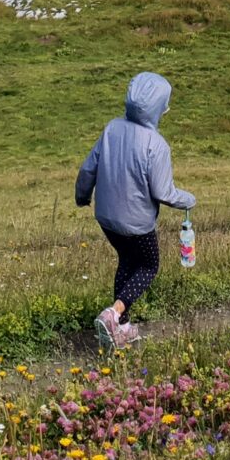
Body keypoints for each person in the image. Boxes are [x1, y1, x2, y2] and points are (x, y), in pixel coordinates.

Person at [74, 71, 197, 349]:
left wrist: (82, 196)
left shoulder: (112, 128)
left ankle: (123, 327)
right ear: (159, 108)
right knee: (148, 265)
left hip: (106, 217)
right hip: (137, 223)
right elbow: (163, 192)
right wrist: (189, 200)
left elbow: (88, 169)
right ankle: (114, 313)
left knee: (127, 261)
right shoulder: (157, 145)